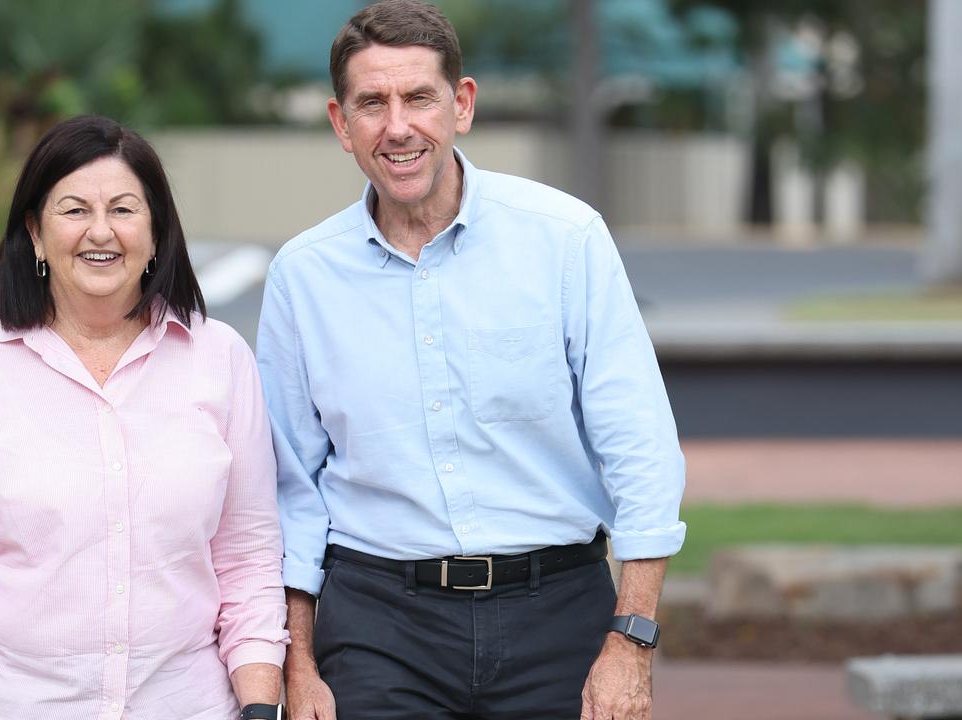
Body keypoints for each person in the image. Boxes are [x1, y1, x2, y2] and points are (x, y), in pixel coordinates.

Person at [255, 2, 685, 719]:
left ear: (462, 104)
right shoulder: (303, 277)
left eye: (419, 98)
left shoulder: (566, 239)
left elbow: (640, 448)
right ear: (340, 124)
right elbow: (289, 492)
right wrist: (297, 663)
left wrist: (632, 640)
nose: (398, 127)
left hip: (558, 612)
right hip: (378, 626)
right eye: (372, 104)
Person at [0, 116, 288, 720]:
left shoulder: (221, 361)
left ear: (158, 231)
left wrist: (261, 704)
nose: (100, 231)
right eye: (74, 209)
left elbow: (248, 558)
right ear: (34, 232)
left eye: (125, 209)